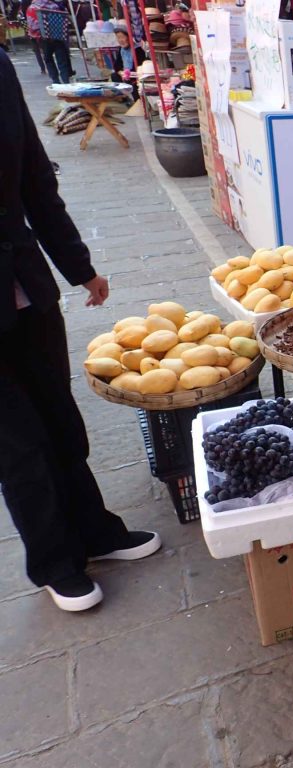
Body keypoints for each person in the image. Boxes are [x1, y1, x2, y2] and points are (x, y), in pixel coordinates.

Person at [0, 49, 161, 613]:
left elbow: (35, 181)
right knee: (18, 447)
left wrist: (79, 266)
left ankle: (95, 532)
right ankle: (52, 561)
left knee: (61, 421)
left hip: (24, 289)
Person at [31, 0, 72, 84]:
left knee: (48, 59)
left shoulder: (32, 8)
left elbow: (32, 26)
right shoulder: (54, 6)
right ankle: (66, 81)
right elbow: (63, 21)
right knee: (61, 60)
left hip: (43, 39)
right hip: (57, 37)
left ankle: (56, 81)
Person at [110, 27, 146, 98]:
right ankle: (124, 97)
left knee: (135, 84)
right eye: (118, 38)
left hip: (135, 76)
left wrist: (128, 74)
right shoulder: (121, 49)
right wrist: (121, 73)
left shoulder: (137, 49)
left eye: (122, 37)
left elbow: (139, 67)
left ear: (129, 37)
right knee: (114, 76)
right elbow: (117, 65)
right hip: (125, 75)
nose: (120, 40)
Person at [23, 0, 49, 76]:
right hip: (42, 32)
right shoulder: (41, 7)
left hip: (32, 31)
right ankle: (48, 67)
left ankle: (43, 69)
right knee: (45, 51)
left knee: (37, 52)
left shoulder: (29, 7)